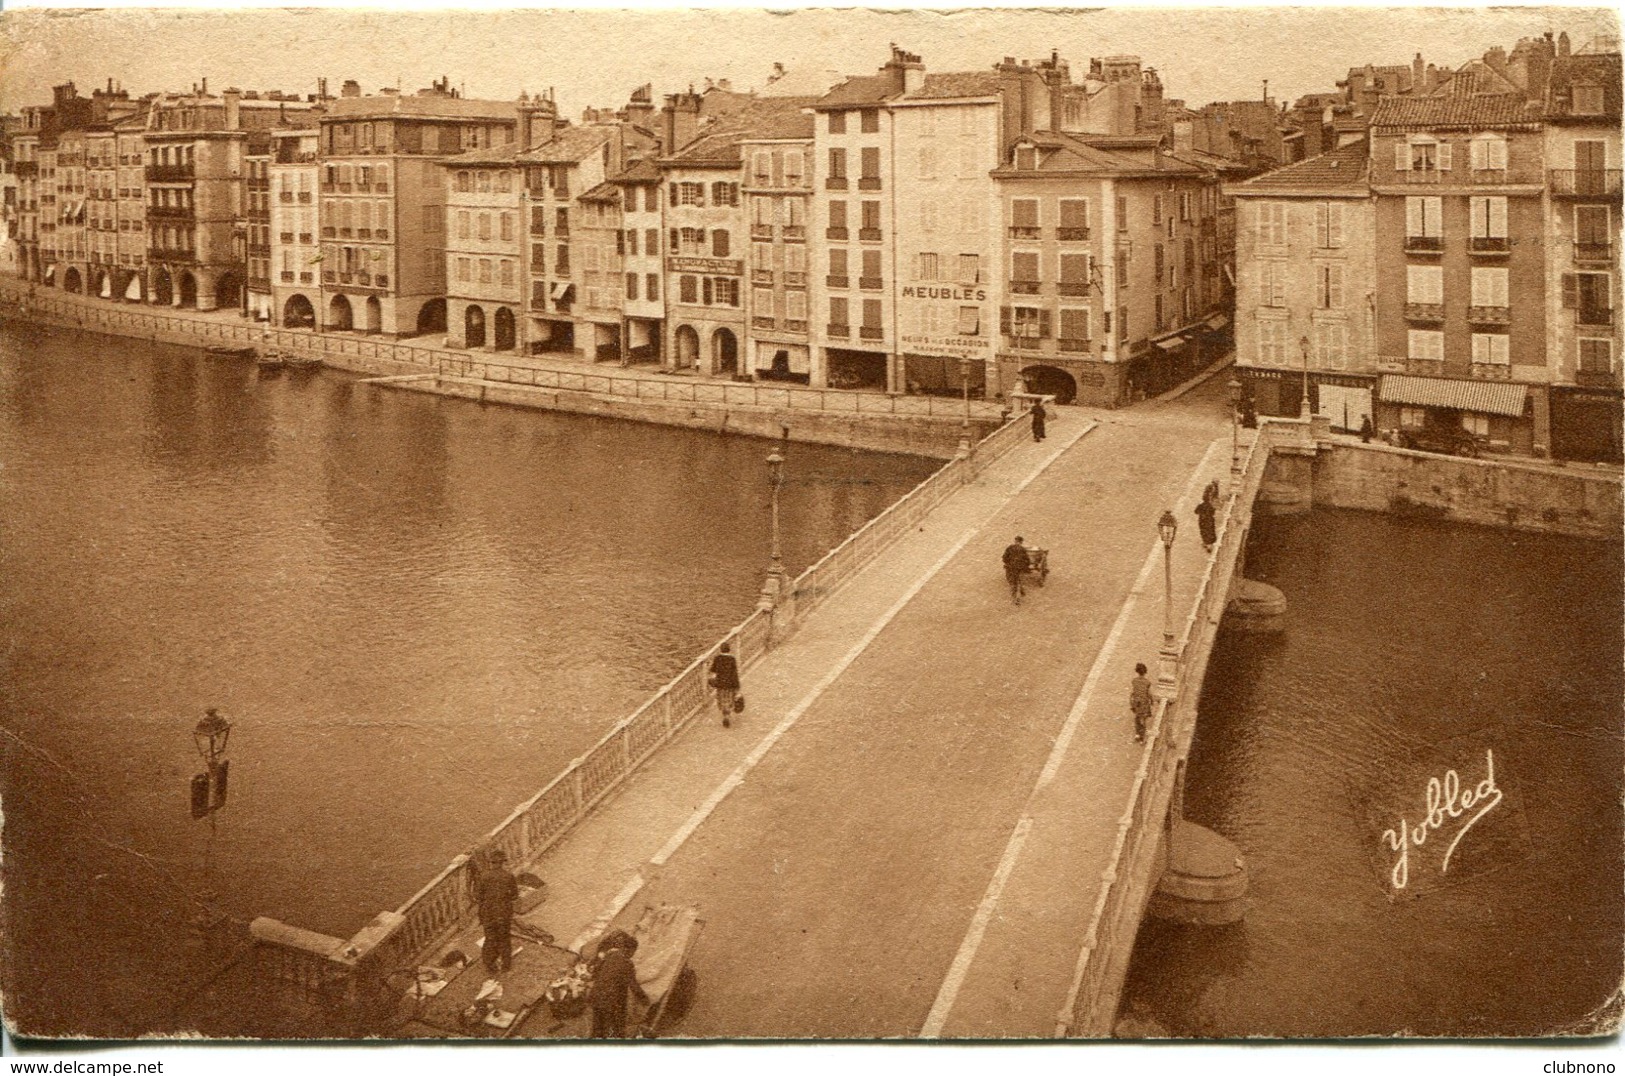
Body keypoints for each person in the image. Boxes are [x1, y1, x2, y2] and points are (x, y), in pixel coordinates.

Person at [589, 931, 648, 1039]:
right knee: (614, 1030)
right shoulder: (627, 963)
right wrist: (644, 998)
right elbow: (633, 985)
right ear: (629, 949)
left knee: (597, 1028)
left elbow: (595, 972)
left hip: (596, 996)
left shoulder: (609, 956)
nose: (633, 954)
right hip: (611, 1001)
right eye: (633, 951)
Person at [474, 848, 519, 974]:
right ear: (502, 862)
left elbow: (478, 897)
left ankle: (490, 966)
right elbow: (515, 895)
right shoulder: (508, 876)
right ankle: (506, 965)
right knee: (504, 939)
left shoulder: (484, 877)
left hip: (488, 913)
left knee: (490, 939)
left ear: (491, 862)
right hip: (503, 913)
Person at [709, 642, 740, 729]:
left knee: (721, 699)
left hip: (720, 684)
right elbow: (735, 674)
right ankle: (728, 713)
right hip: (730, 684)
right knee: (730, 699)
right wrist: (737, 686)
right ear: (729, 649)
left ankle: (724, 714)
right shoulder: (732, 659)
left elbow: (713, 670)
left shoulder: (717, 658)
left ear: (721, 650)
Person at [1002, 536, 1030, 606]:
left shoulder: (1010, 548)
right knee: (1019, 581)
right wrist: (1025, 567)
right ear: (1021, 542)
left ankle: (1015, 598)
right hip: (1019, 569)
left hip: (1011, 568)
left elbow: (1004, 558)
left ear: (1015, 541)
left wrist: (1008, 563)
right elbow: (1027, 560)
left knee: (1013, 583)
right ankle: (1019, 596)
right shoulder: (1022, 549)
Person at [1130, 663, 1153, 744]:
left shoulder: (1134, 681)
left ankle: (1137, 734)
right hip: (1144, 703)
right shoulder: (1147, 682)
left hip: (1136, 702)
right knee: (1143, 719)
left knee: (1137, 717)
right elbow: (1148, 694)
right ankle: (1142, 738)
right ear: (1145, 672)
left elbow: (1133, 692)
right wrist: (1152, 700)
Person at [1195, 485, 1218, 553]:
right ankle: (1209, 545)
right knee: (1210, 531)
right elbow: (1213, 512)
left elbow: (1196, 512)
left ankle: (1206, 544)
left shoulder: (1201, 505)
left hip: (1202, 520)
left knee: (1204, 532)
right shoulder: (1210, 506)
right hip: (1209, 520)